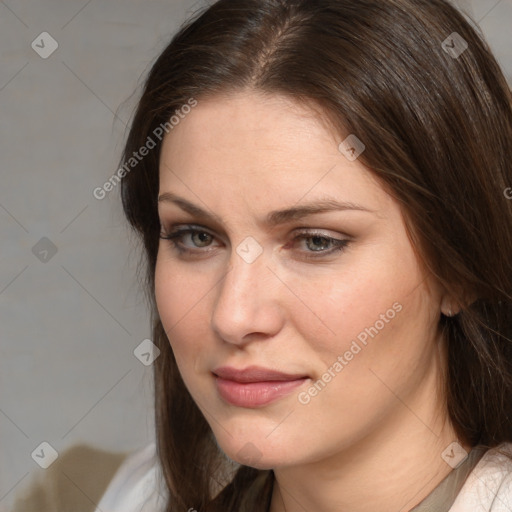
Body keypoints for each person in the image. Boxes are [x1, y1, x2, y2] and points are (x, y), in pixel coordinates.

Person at [97, 0, 512, 510]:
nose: (233, 316)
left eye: (316, 241)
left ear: (459, 268)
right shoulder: (134, 497)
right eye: (196, 236)